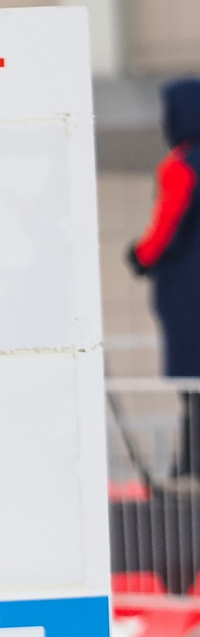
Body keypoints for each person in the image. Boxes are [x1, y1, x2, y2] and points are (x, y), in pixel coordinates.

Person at [127, 77, 200, 475]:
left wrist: (140, 256)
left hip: (190, 297)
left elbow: (167, 227)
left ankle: (189, 466)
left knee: (194, 388)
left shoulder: (182, 165)